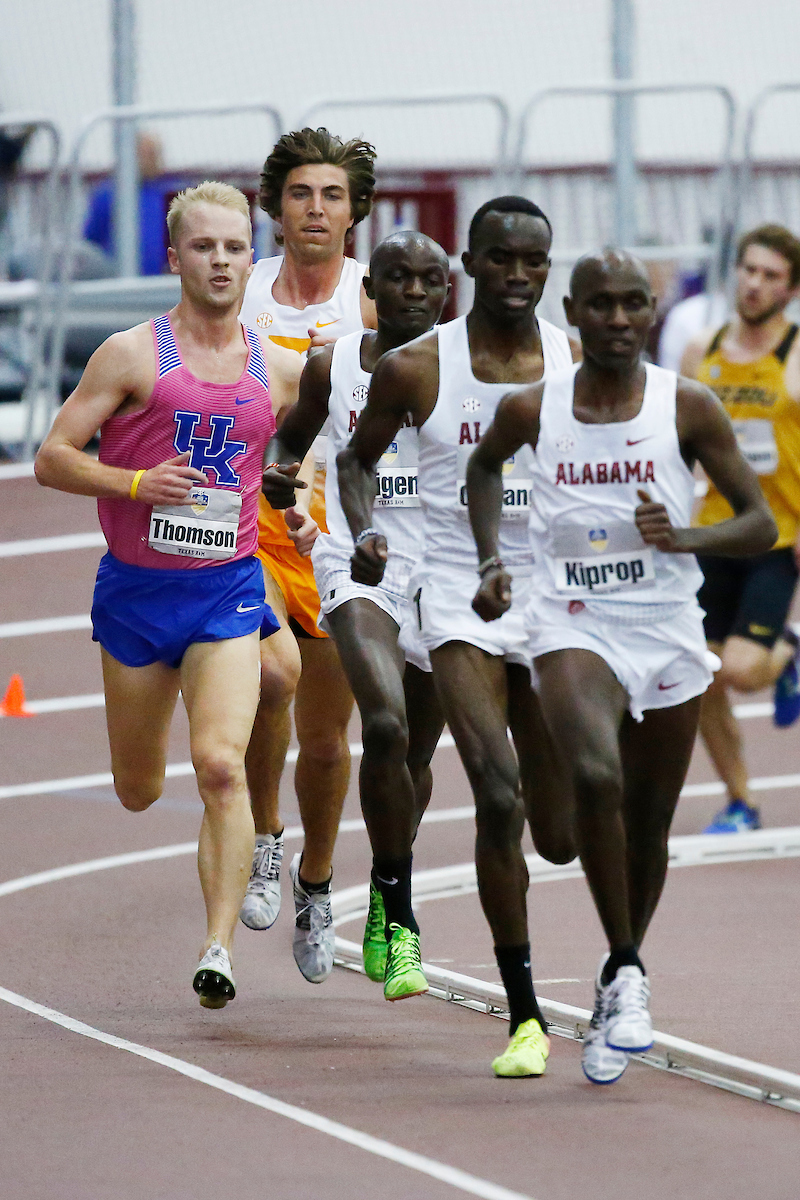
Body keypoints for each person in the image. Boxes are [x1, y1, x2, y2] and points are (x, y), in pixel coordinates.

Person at [467, 249, 776, 1085]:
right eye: (598, 305)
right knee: (595, 775)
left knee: (648, 825)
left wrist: (688, 538)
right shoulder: (537, 406)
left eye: (631, 304)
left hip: (667, 627)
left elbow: (759, 525)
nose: (615, 318)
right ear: (575, 310)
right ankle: (631, 969)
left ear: (650, 312)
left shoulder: (689, 406)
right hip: (572, 621)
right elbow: (484, 466)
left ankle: (613, 978)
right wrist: (493, 558)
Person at [34, 182, 302, 1008]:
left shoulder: (280, 370)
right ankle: (198, 858)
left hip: (226, 590)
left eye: (233, 247)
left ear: (251, 257)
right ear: (174, 257)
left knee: (220, 764)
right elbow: (52, 456)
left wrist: (288, 492)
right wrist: (136, 480)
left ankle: (218, 948)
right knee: (139, 787)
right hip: (136, 596)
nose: (219, 261)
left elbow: (289, 459)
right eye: (203, 247)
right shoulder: (131, 354)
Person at [339, 196, 578, 1077]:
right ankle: (525, 1018)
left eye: (535, 262)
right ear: (468, 269)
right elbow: (356, 460)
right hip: (454, 596)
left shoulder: (570, 358)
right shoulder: (414, 368)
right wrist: (365, 530)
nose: (519, 275)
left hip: (549, 600)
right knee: (497, 791)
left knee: (559, 832)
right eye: (502, 259)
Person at [261, 231, 450, 999]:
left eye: (427, 280)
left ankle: (382, 883)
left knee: (413, 757)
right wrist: (279, 471)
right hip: (354, 561)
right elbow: (295, 437)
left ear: (447, 291)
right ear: (371, 288)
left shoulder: (469, 370)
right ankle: (402, 920)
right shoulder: (331, 364)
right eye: (395, 278)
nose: (411, 291)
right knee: (385, 723)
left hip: (443, 571)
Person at [236, 128, 377, 983]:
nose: (315, 209)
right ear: (276, 208)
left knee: (325, 742)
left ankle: (316, 883)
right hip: (246, 525)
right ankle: (262, 838)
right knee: (266, 682)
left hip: (331, 537)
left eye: (331, 195)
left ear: (355, 211)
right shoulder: (239, 293)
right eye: (300, 195)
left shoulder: (371, 304)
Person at [682, 224, 800, 833]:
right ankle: (740, 800)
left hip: (775, 538)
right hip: (710, 536)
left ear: (791, 287)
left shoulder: (797, 355)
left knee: (742, 671)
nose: (754, 284)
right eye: (748, 270)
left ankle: (788, 653)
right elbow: (676, 444)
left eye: (771, 275)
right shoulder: (702, 349)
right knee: (697, 671)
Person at [83, 132, 170, 276]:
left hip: (159, 282)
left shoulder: (166, 195)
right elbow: (91, 243)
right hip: (117, 282)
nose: (155, 160)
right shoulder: (108, 196)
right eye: (149, 155)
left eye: (157, 154)